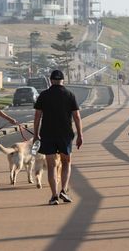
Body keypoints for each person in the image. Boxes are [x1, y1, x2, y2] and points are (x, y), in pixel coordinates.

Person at [33, 69, 83, 205]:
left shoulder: (43, 95)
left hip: (47, 134)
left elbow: (37, 116)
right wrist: (80, 135)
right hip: (65, 135)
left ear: (51, 80)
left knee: (51, 166)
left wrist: (36, 134)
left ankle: (54, 196)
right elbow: (77, 117)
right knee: (66, 162)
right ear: (63, 80)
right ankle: (64, 191)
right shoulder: (69, 95)